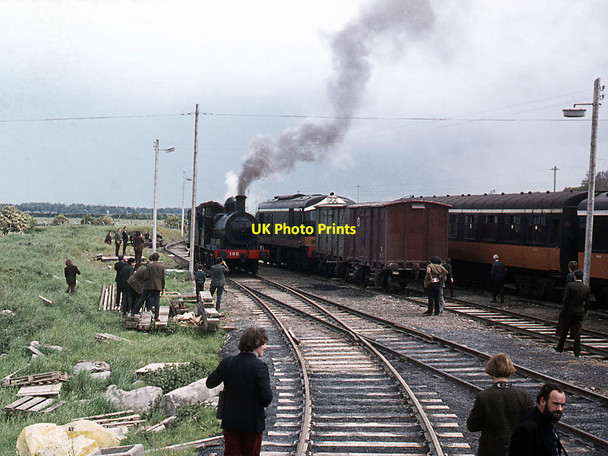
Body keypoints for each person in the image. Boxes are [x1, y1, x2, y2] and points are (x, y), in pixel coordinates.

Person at [206, 327, 273, 456]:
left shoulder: (228, 362)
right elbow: (266, 397)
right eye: (263, 344)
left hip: (231, 421)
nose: (265, 347)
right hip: (253, 423)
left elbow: (210, 383)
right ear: (256, 344)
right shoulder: (260, 367)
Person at [467, 354, 534, 456]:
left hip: (490, 451)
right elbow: (532, 426)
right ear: (510, 371)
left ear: (491, 371)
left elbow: (472, 426)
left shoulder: (484, 396)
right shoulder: (524, 396)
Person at [509, 383, 567, 456]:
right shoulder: (527, 428)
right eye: (555, 404)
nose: (560, 409)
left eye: (562, 405)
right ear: (542, 401)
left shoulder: (548, 421)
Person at [555, 269, 590, 357]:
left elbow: (566, 300)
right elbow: (587, 302)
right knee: (577, 333)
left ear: (575, 277)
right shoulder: (586, 288)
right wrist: (584, 311)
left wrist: (564, 310)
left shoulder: (571, 286)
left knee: (565, 331)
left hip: (570, 312)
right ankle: (577, 352)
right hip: (580, 313)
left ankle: (560, 347)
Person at [131, 252, 165, 320]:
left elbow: (146, 276)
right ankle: (156, 316)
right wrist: (163, 287)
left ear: (152, 258)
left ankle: (134, 312)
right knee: (156, 301)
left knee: (142, 298)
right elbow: (163, 278)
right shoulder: (161, 267)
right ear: (158, 258)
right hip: (158, 286)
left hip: (149, 285)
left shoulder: (149, 266)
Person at [556, 260, 579, 337]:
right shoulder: (580, 275)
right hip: (577, 301)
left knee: (563, 317)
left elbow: (567, 288)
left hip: (570, 301)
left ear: (569, 268)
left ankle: (560, 334)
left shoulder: (570, 276)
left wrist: (564, 300)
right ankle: (573, 334)